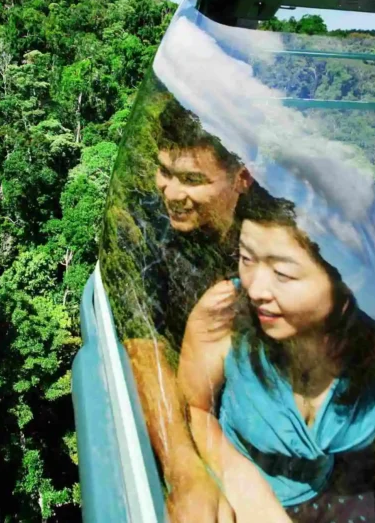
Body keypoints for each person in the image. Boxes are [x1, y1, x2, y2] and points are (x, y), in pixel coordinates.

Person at [178, 184, 375, 523]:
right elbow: (192, 409)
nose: (255, 288)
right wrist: (244, 489)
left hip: (329, 492)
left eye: (283, 273)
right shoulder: (224, 313)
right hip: (234, 496)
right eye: (246, 258)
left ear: (352, 281)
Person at [102, 92, 252, 522]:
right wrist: (183, 469)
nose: (169, 192)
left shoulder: (266, 228)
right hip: (192, 400)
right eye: (163, 172)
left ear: (242, 178)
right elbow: (140, 340)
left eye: (190, 179)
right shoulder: (146, 225)